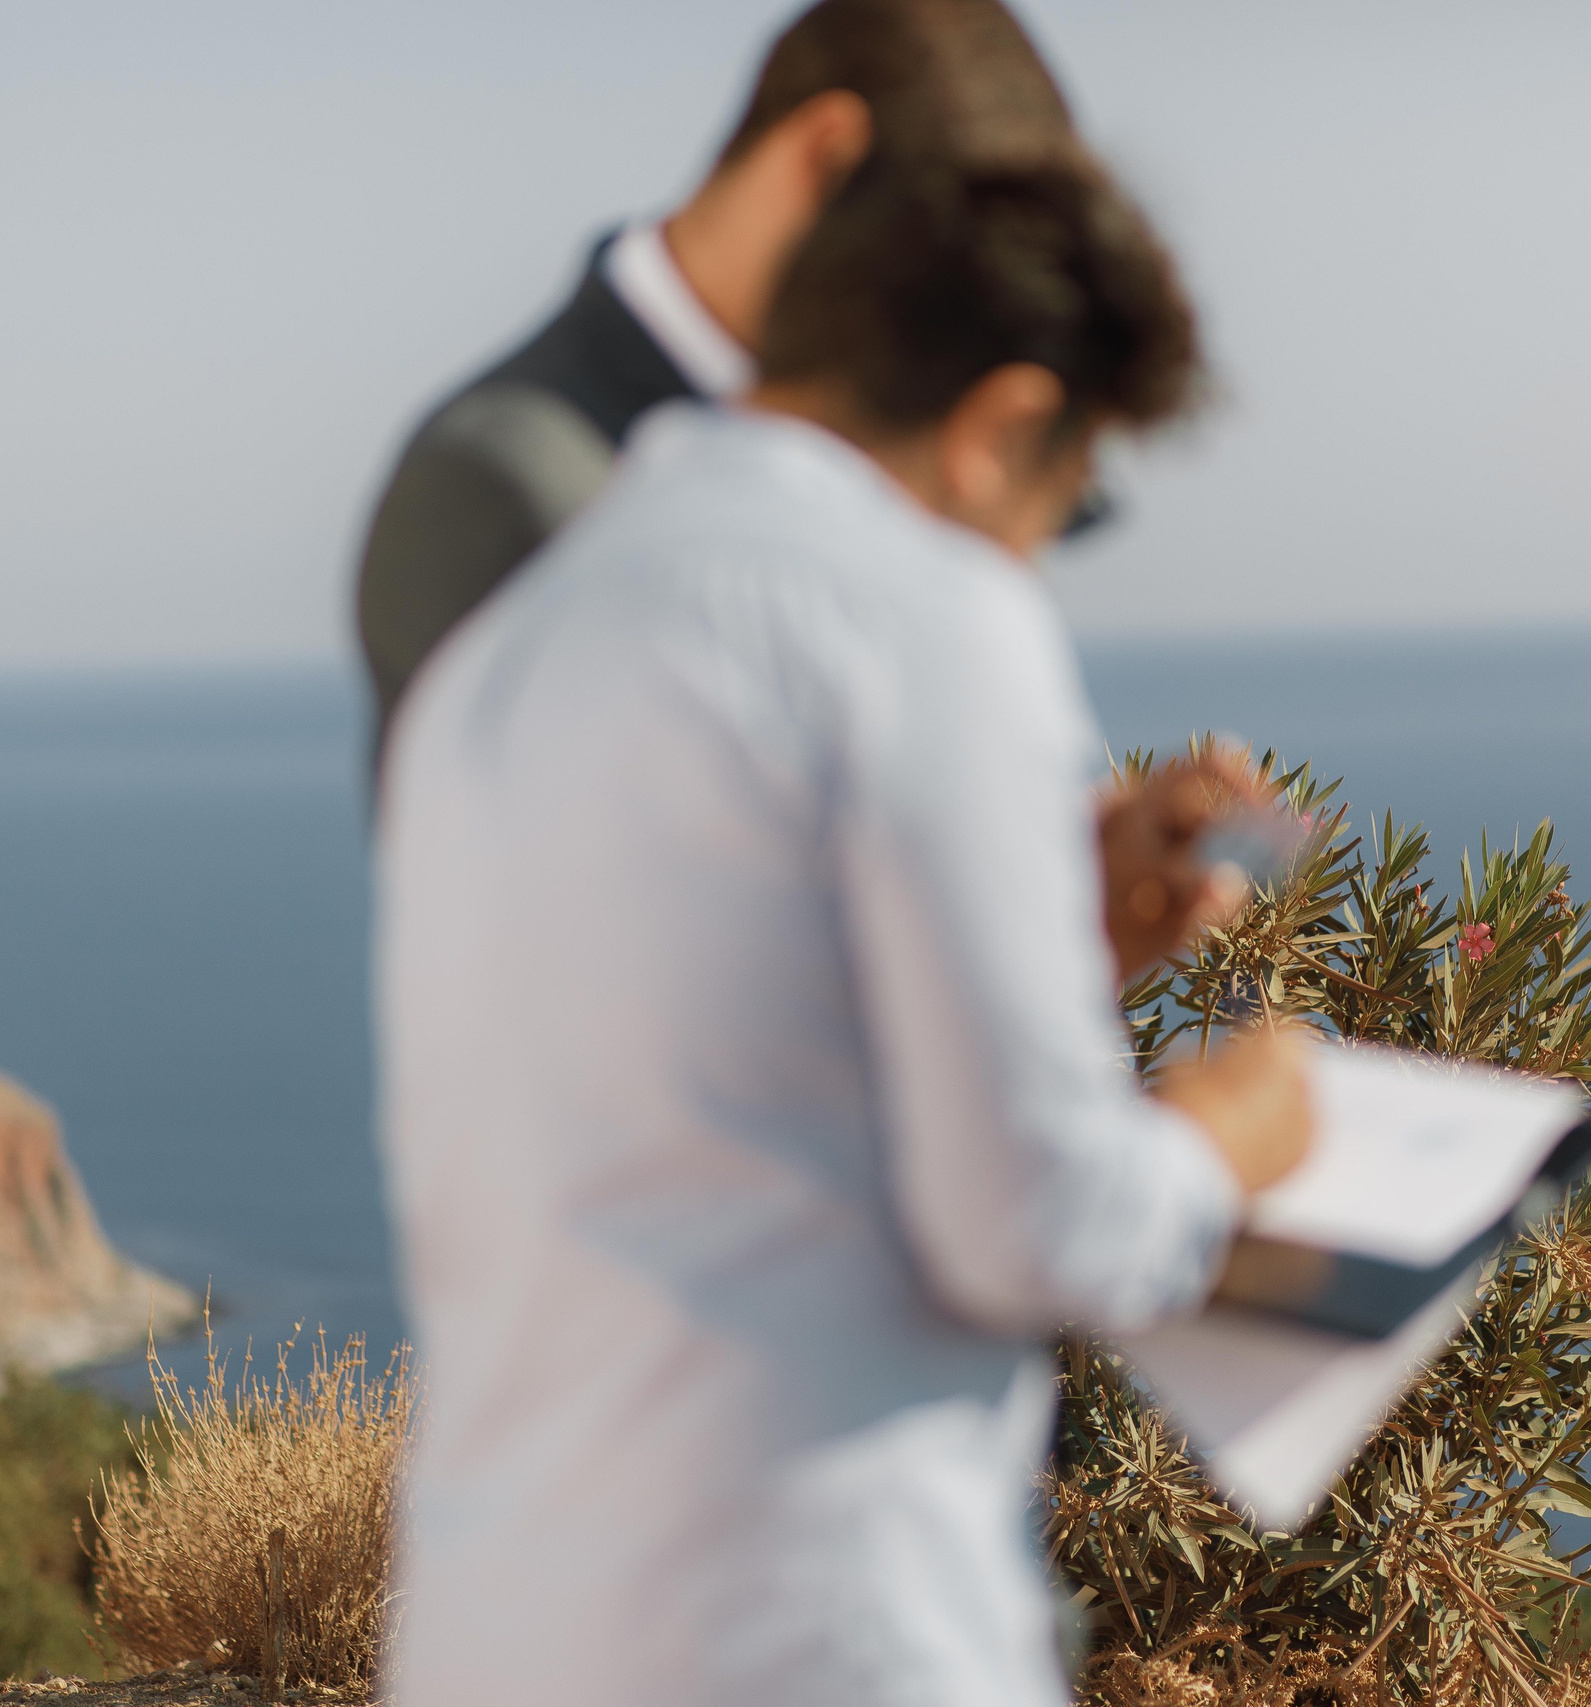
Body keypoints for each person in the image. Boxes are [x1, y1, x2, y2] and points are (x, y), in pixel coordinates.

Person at [376, 150, 1315, 1707]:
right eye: (1063, 497)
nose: (1034, 552)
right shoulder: (926, 614)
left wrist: (1051, 936)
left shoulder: (520, 633)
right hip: (818, 1629)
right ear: (1007, 421)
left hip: (501, 1629)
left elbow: (699, 1083)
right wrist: (1234, 1132)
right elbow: (1040, 1220)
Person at [355, 0, 1241, 975]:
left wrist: (1045, 884)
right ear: (824, 163)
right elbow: (582, 984)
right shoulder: (510, 481)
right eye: (955, 274)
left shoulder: (928, 405)